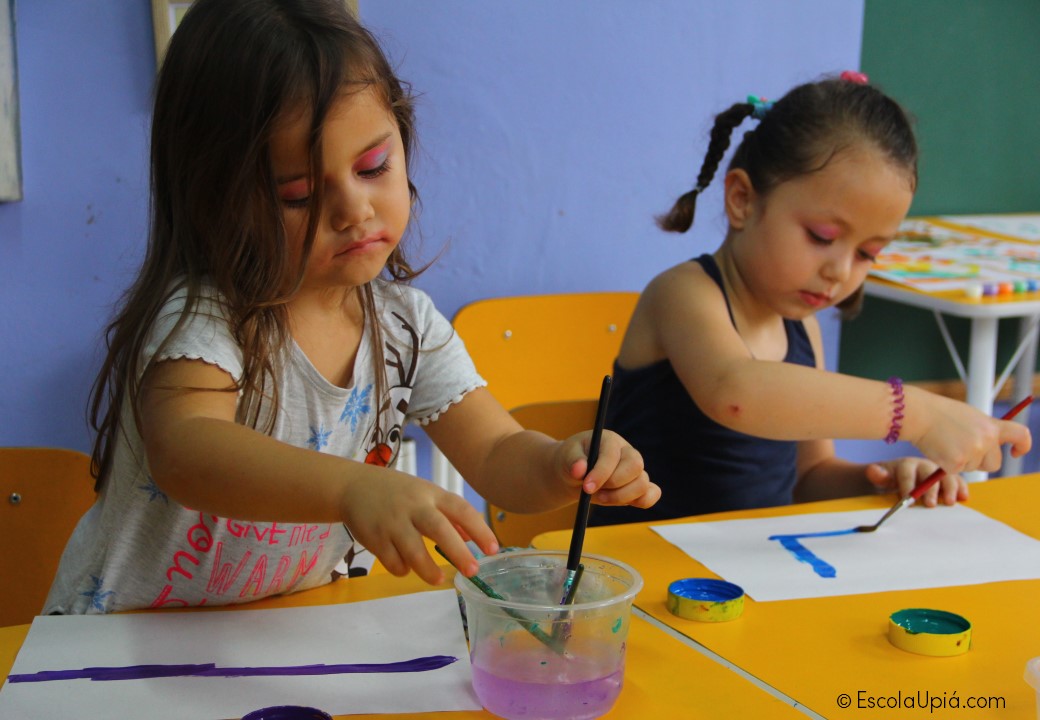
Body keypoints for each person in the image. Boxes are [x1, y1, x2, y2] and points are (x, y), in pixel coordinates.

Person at [45, 0, 659, 614]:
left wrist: (561, 464)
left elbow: (497, 454)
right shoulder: (207, 318)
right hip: (115, 643)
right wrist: (354, 488)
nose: (354, 210)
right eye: (299, 195)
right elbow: (186, 451)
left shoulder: (405, 327)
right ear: (218, 201)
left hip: (279, 633)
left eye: (372, 167)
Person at [592, 73, 1031, 526]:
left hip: (746, 560)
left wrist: (880, 480)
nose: (840, 272)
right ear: (742, 199)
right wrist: (917, 413)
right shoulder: (683, 294)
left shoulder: (802, 327)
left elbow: (809, 477)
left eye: (867, 254)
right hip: (638, 559)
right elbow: (736, 393)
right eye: (822, 237)